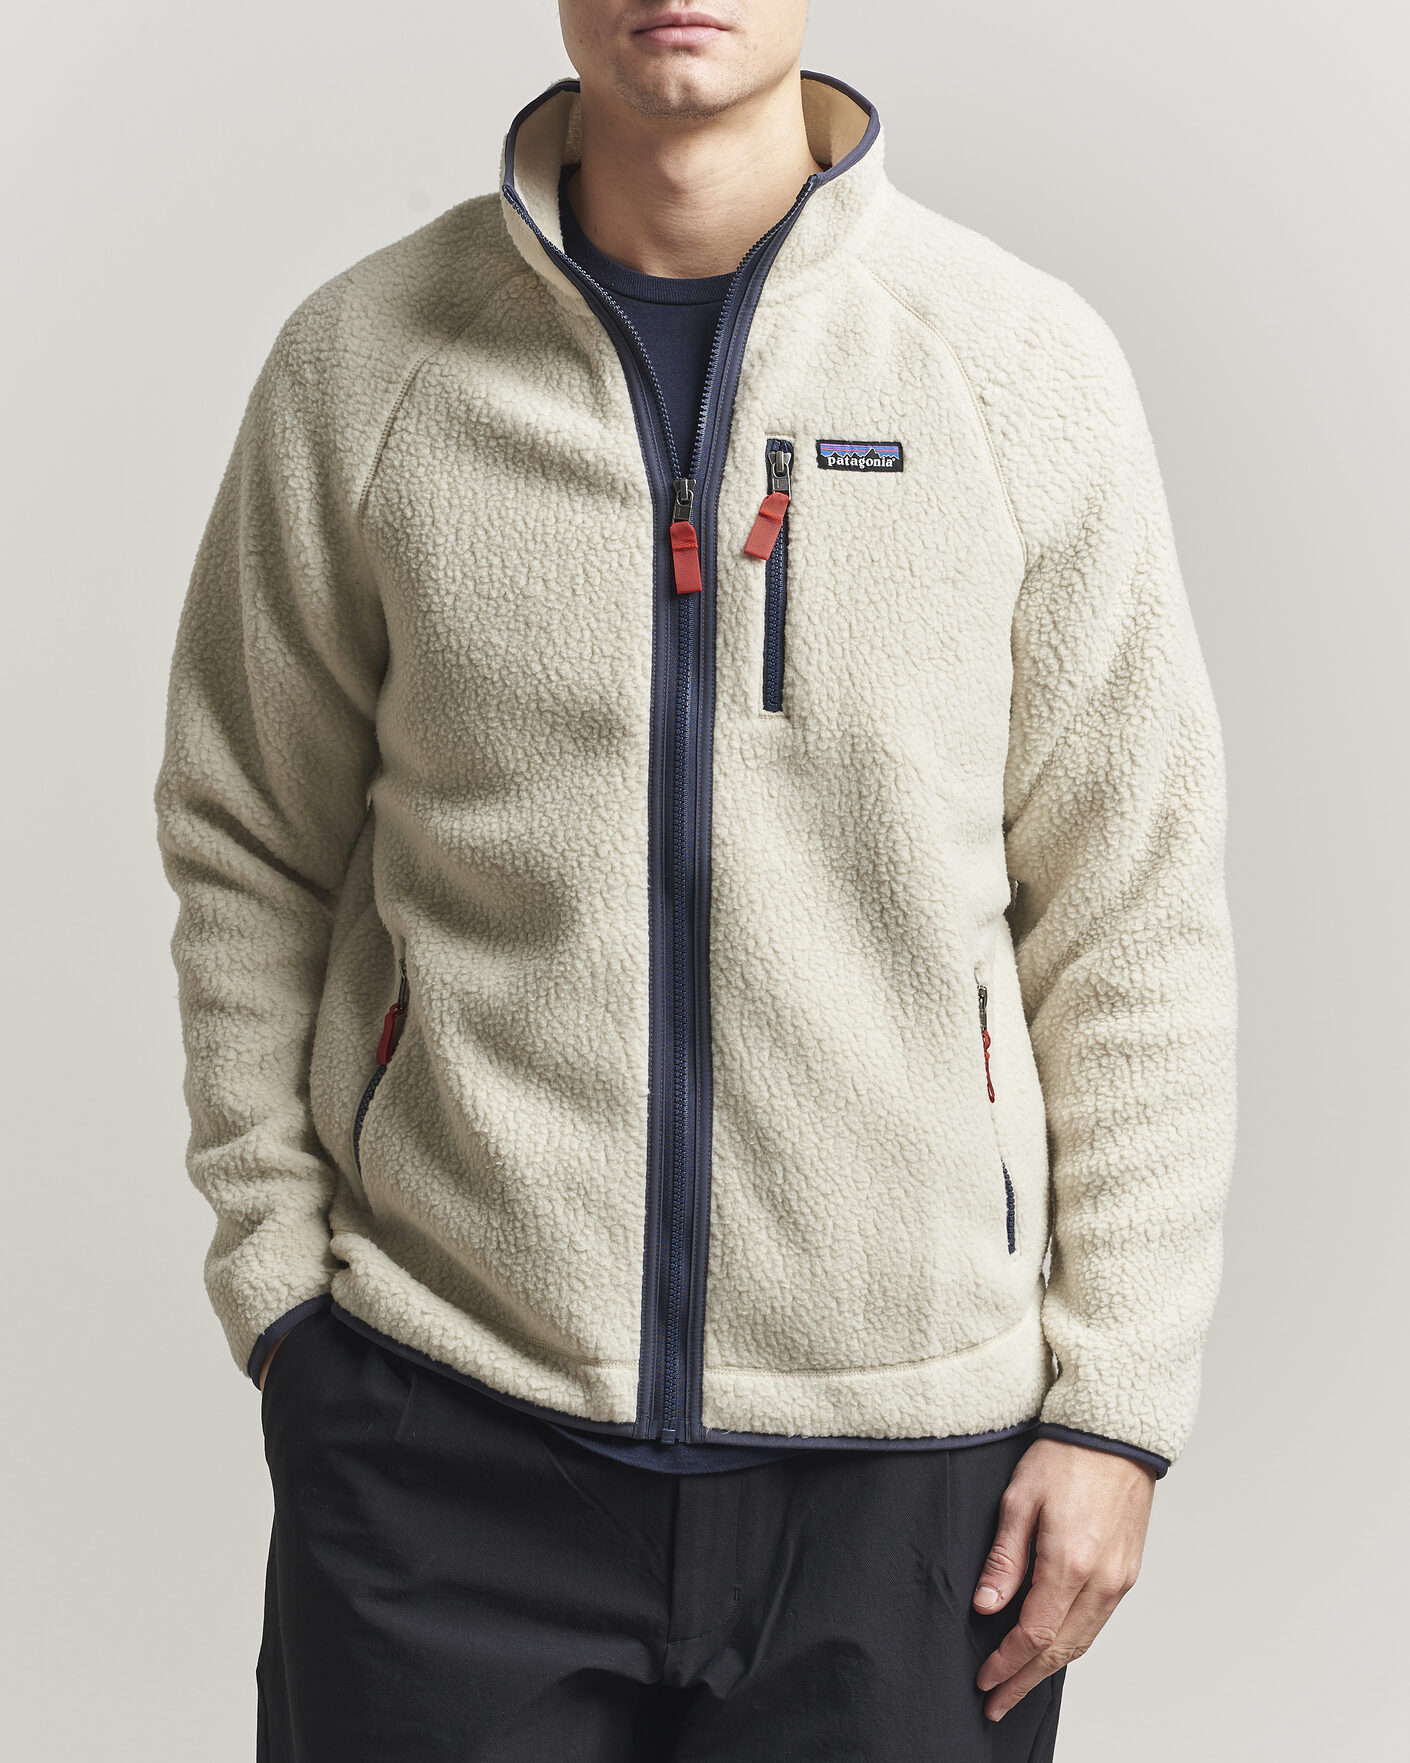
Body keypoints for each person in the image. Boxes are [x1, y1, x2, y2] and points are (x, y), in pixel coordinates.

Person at [152, 3, 1237, 1758]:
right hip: (446, 1425)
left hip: (910, 1473)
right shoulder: (363, 367)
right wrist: (280, 1293)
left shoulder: (1013, 368)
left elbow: (1133, 913)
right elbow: (244, 836)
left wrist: (1115, 1404)